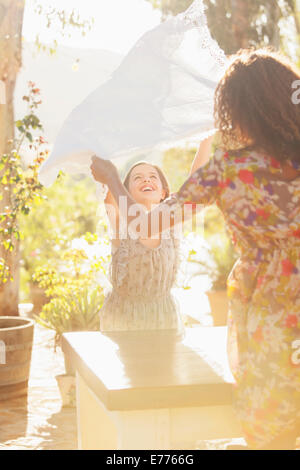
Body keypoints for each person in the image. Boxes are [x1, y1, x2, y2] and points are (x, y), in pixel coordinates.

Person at [90, 48, 300, 450]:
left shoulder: (229, 172)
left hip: (273, 326)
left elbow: (147, 224)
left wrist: (116, 182)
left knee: (273, 437)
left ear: (237, 110)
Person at [98, 137, 213, 333]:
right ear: (125, 194)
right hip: (124, 318)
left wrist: (206, 138)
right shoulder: (120, 222)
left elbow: (196, 184)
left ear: (163, 193)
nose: (146, 179)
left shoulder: (172, 220)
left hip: (163, 317)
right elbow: (110, 186)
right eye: (137, 178)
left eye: (153, 177)